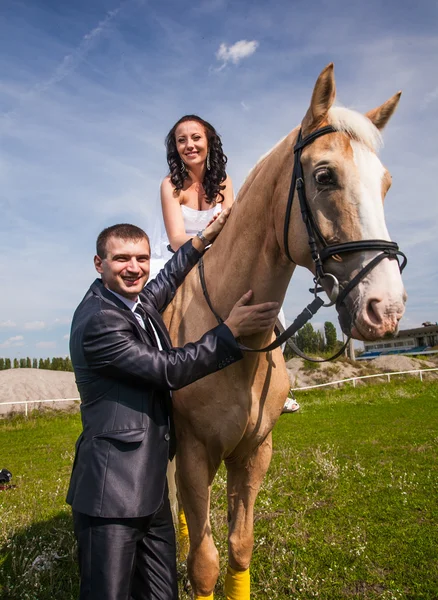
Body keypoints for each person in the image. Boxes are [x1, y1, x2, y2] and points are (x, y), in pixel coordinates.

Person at [66, 217, 279, 600]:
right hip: (109, 498)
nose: (134, 268)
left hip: (149, 493)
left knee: (163, 595)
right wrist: (229, 332)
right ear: (99, 264)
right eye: (121, 259)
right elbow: (169, 369)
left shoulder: (135, 305)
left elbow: (164, 282)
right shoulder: (100, 320)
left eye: (142, 258)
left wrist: (201, 241)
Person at [158, 114, 300, 414]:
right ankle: (160, 385)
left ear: (209, 141)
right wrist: (205, 246)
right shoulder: (170, 185)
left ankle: (271, 384)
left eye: (195, 137)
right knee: (149, 305)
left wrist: (223, 256)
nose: (189, 145)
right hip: (181, 257)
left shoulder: (224, 182)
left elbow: (234, 231)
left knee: (273, 307)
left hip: (220, 256)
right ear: (175, 148)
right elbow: (175, 238)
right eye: (181, 140)